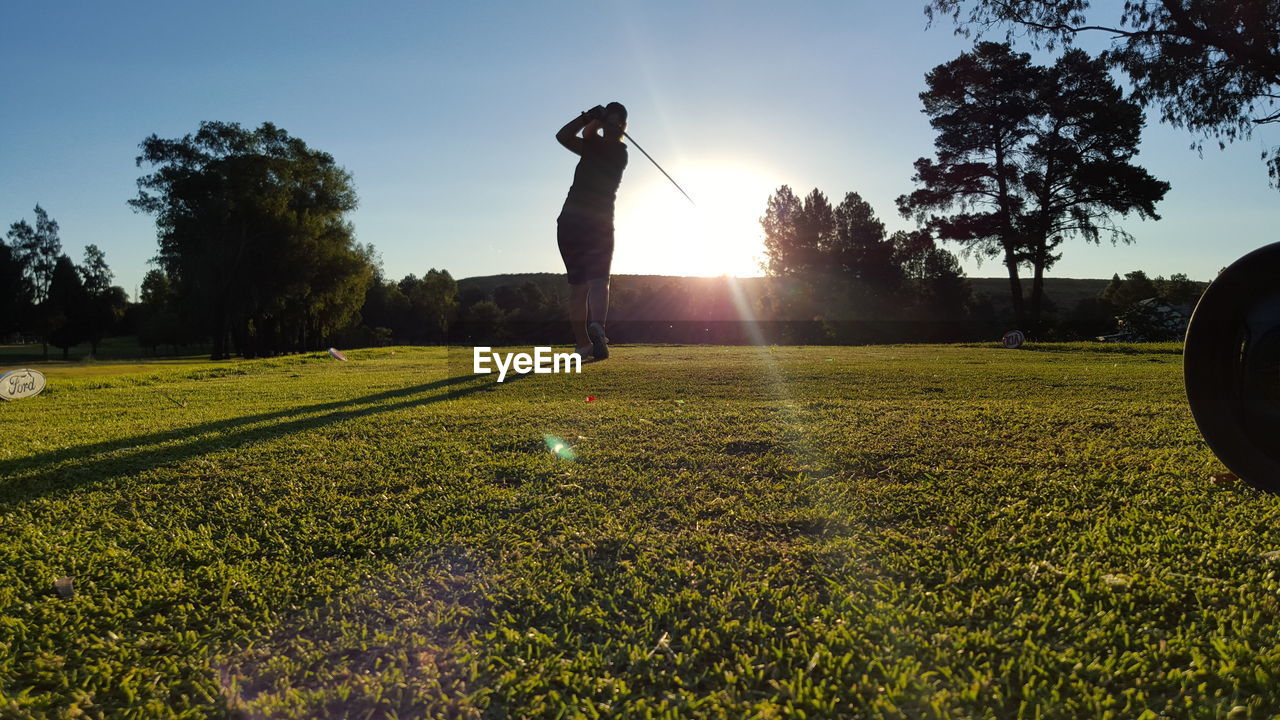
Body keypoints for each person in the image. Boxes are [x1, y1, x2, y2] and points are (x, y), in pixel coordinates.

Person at [555, 102, 628, 361]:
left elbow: (565, 136)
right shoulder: (619, 152)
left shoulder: (598, 148)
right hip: (598, 222)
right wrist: (592, 119)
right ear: (623, 127)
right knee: (599, 281)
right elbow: (577, 137)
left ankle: (583, 344)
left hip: (570, 221)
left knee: (577, 287)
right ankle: (598, 325)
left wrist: (588, 117)